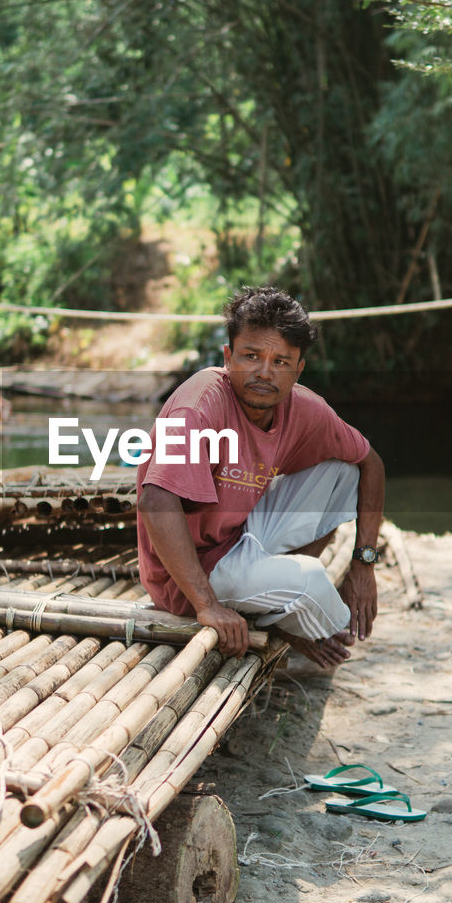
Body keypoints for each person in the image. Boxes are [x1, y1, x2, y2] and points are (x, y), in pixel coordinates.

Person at [137, 286, 385, 670]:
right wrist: (207, 606)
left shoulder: (303, 409)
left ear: (299, 368)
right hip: (190, 573)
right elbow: (155, 500)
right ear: (228, 356)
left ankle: (271, 598)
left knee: (343, 470)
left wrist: (363, 564)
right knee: (312, 581)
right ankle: (284, 615)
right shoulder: (197, 405)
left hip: (243, 538)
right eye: (251, 356)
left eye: (281, 362)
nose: (264, 373)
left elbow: (372, 463)